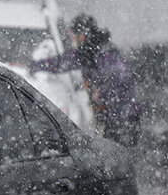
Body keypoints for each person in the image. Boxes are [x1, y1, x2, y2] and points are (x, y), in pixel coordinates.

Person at [30, 14, 141, 146]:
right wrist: (32, 66)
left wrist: (102, 94)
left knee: (117, 156)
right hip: (110, 118)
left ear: (82, 35)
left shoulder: (106, 54)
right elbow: (62, 62)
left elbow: (122, 79)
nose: (72, 40)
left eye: (73, 36)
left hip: (123, 118)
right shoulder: (87, 53)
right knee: (109, 154)